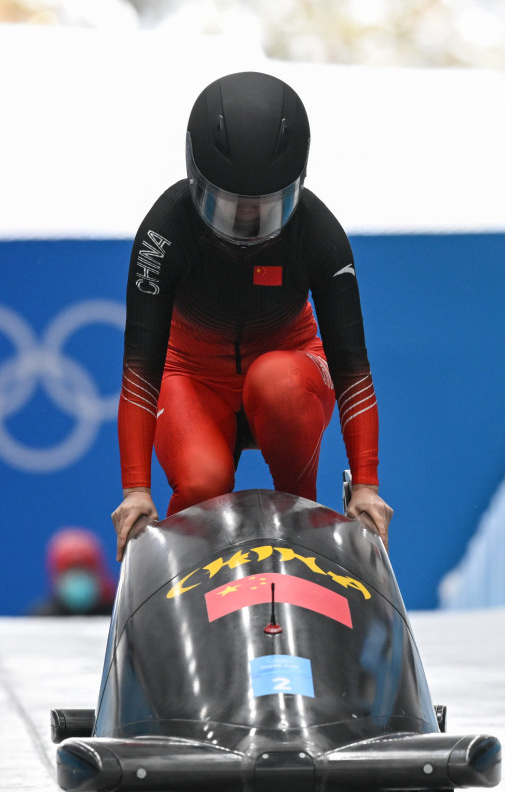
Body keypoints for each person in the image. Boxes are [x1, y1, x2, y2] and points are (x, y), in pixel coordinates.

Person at [112, 70, 392, 561]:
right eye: (226, 206)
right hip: (192, 375)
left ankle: (302, 516)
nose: (246, 222)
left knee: (278, 381)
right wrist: (136, 489)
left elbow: (352, 370)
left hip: (289, 367)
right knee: (203, 484)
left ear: (298, 187)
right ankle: (185, 574)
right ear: (196, 180)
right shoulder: (163, 233)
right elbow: (141, 369)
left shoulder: (320, 234)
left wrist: (365, 484)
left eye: (267, 208)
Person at [29, 528, 117, 617]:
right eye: (71, 570)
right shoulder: (41, 619)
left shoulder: (117, 614)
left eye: (83, 569)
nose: (78, 577)